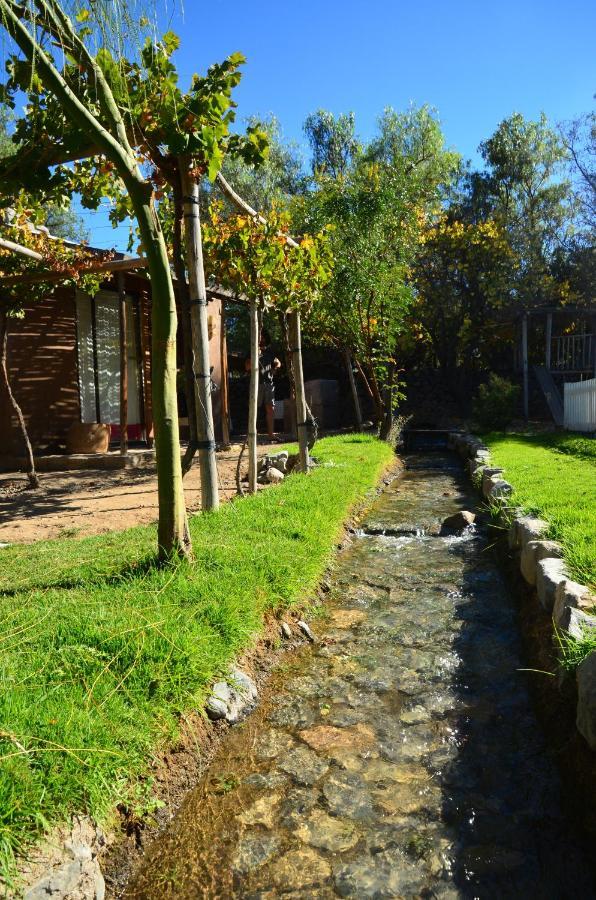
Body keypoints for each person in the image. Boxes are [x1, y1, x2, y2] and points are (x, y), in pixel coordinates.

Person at [245, 329, 281, 440]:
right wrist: (255, 355)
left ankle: (271, 435)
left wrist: (274, 368)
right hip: (256, 384)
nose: (261, 338)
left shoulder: (270, 352)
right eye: (259, 336)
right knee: (253, 409)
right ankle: (250, 436)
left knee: (271, 408)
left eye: (262, 336)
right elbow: (247, 367)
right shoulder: (251, 350)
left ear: (265, 338)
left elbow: (278, 363)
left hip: (269, 384)